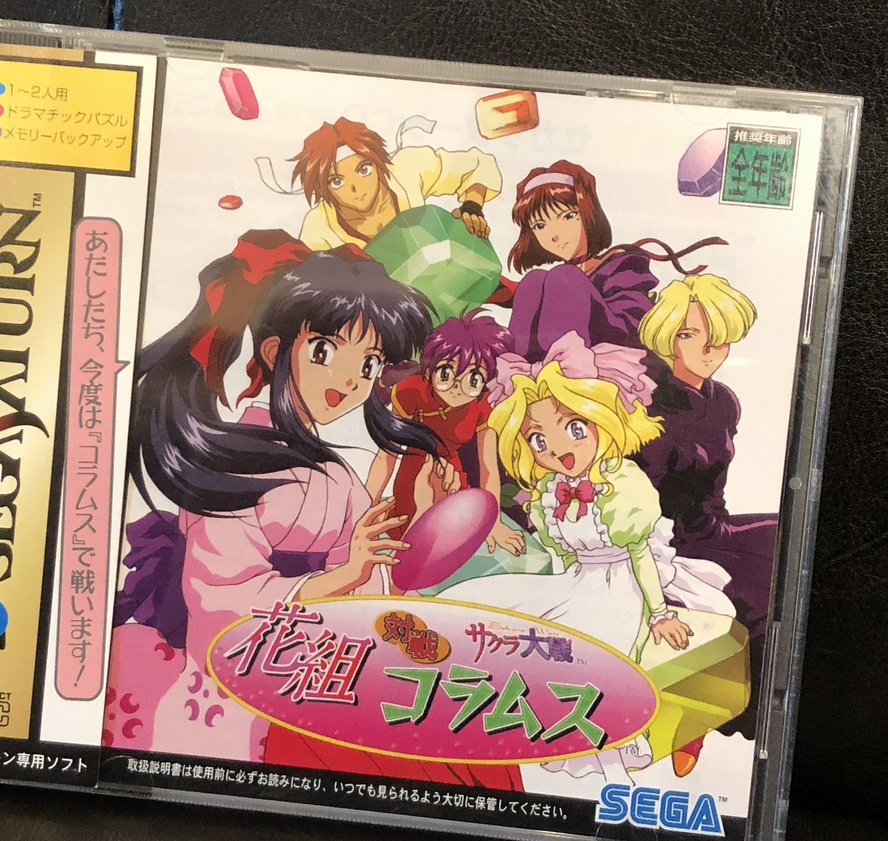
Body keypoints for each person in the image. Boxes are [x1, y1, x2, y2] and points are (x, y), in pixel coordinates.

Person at [105, 229, 521, 790]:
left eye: (370, 364)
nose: (349, 379)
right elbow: (222, 603)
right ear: (275, 352)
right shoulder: (231, 465)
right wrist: (344, 576)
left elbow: (371, 576)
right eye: (325, 351)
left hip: (328, 658)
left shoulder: (336, 474)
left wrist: (419, 515)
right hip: (249, 680)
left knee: (468, 734)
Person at [439, 332, 735, 782]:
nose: (558, 449)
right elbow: (561, 556)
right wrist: (552, 592)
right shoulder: (550, 491)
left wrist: (658, 615)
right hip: (576, 580)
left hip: (624, 587)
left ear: (602, 419)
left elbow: (639, 554)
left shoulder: (623, 484)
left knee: (586, 661)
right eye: (538, 440)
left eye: (574, 428)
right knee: (480, 602)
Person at [635, 274, 776, 771]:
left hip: (713, 528)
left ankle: (736, 712)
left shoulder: (724, 401)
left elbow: (714, 489)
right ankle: (708, 713)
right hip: (666, 543)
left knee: (789, 544)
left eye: (717, 335)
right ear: (668, 337)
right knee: (761, 587)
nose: (708, 348)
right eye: (690, 334)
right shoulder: (647, 403)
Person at [505, 160, 724, 360]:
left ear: (588, 213)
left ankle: (566, 369)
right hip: (546, 363)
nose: (555, 234)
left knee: (564, 277)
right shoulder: (548, 281)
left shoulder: (622, 264)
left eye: (568, 216)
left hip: (613, 355)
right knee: (533, 280)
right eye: (540, 226)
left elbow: (633, 328)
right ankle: (521, 368)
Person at [374, 308, 525, 556]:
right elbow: (387, 456)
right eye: (446, 373)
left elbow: (488, 468)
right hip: (410, 481)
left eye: (473, 379)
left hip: (452, 483)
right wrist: (367, 506)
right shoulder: (412, 391)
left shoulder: (482, 405)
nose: (457, 387)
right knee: (411, 538)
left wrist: (493, 522)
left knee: (446, 539)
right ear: (430, 369)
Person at [291, 117, 501, 249]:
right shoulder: (318, 228)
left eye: (364, 170)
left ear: (378, 163)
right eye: (336, 181)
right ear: (322, 188)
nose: (355, 188)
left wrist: (472, 207)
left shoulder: (406, 168)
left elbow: (477, 163)